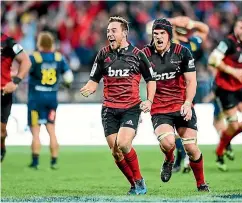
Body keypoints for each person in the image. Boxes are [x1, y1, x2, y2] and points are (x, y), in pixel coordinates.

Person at [80, 16, 156, 195]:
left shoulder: (138, 55)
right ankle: (134, 184)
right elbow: (94, 79)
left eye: (113, 31)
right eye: (108, 31)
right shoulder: (103, 54)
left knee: (122, 143)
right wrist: (89, 87)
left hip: (131, 107)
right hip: (109, 109)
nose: (109, 34)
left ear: (124, 33)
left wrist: (149, 100)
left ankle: (139, 180)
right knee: (115, 152)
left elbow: (150, 80)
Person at [142, 18, 209, 191]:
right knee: (168, 143)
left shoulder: (183, 52)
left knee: (191, 148)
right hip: (159, 108)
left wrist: (188, 103)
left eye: (162, 33)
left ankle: (201, 184)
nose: (158, 37)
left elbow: (191, 82)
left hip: (182, 105)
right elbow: (133, 78)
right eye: (155, 34)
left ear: (169, 36)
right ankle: (169, 159)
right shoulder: (144, 54)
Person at [208, 16, 242, 171]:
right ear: (235, 29)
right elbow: (213, 60)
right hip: (225, 87)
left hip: (241, 86)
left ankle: (226, 141)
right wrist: (232, 71)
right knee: (233, 124)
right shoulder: (227, 42)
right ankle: (220, 149)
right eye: (241, 28)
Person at [168, 16, 209, 173]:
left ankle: (183, 157)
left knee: (184, 123)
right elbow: (151, 27)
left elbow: (205, 29)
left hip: (186, 87)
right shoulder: (173, 42)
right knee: (180, 124)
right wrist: (178, 21)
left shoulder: (189, 43)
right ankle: (182, 157)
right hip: (172, 87)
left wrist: (187, 22)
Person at [28, 31, 74, 169]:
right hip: (52, 98)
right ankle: (54, 161)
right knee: (51, 129)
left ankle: (35, 162)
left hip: (36, 98)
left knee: (36, 131)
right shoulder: (59, 57)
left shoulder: (34, 58)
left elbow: (24, 72)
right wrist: (66, 85)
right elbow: (68, 77)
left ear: (40, 43)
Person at [1, 32, 31, 162]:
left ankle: (2, 146)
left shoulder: (8, 42)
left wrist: (16, 81)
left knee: (1, 132)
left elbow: (26, 61)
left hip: (3, 92)